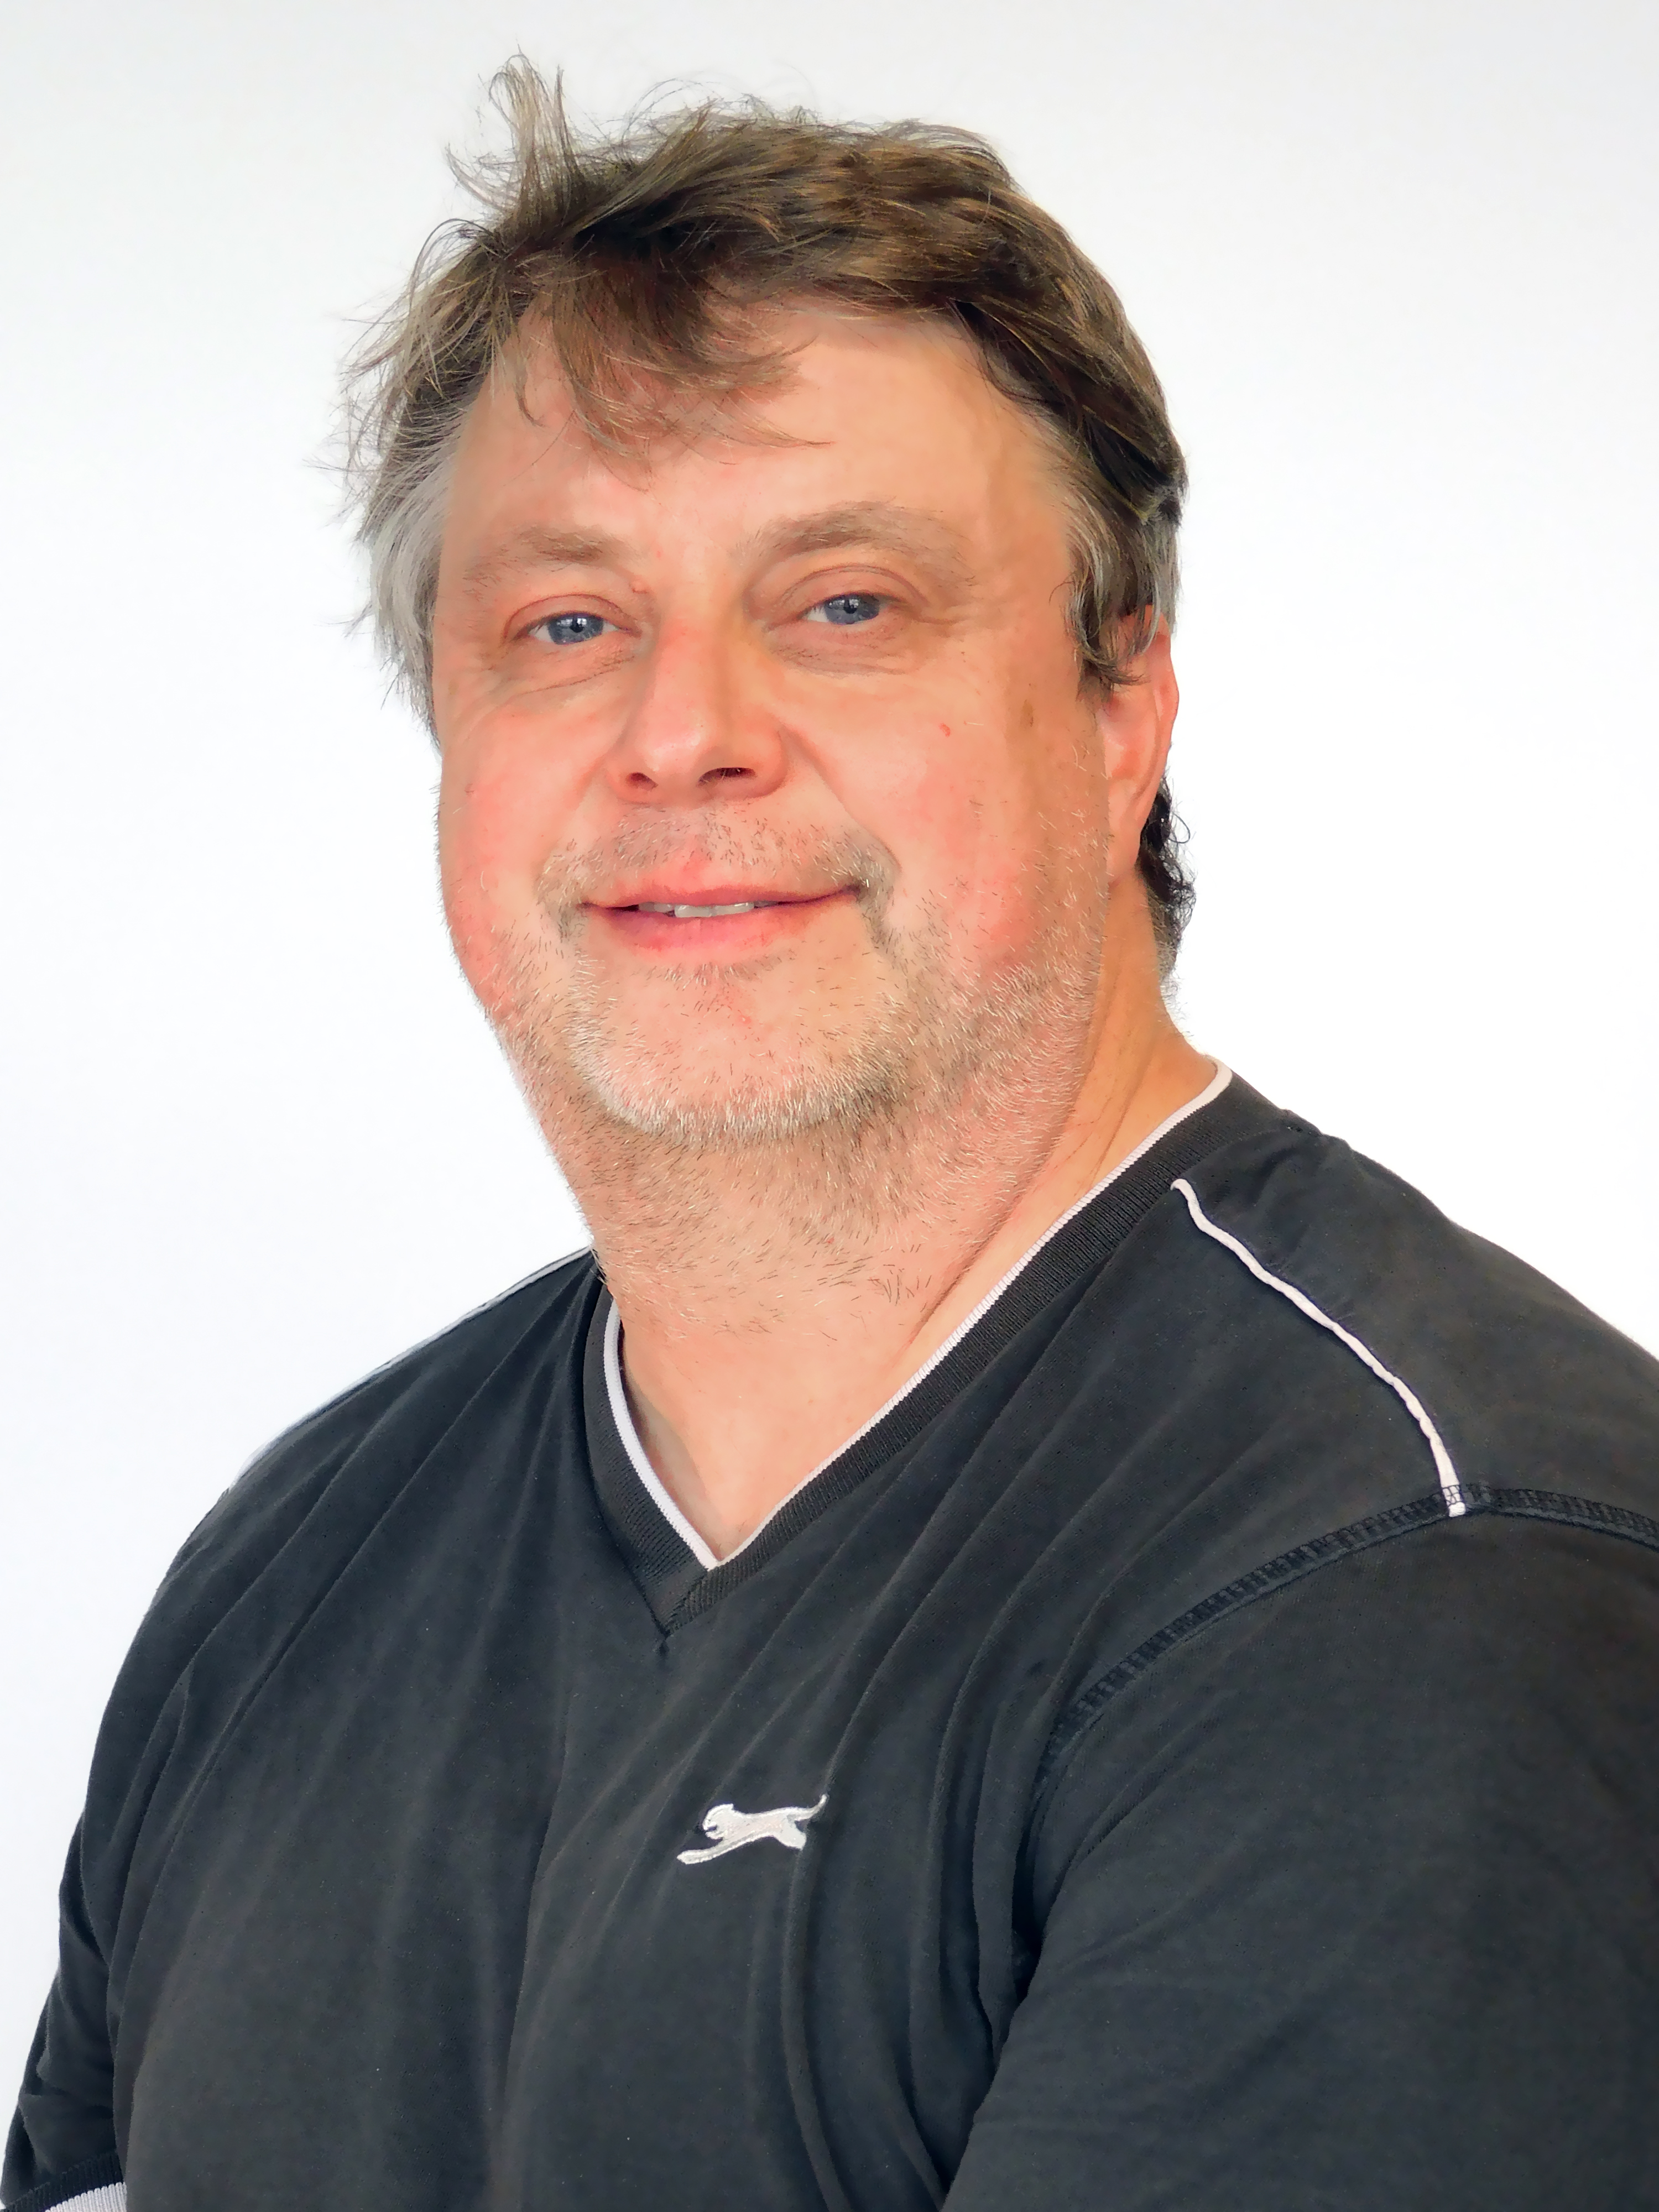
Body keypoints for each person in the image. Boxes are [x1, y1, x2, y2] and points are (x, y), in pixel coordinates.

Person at [8, 60, 1658, 2212]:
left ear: (1122, 712)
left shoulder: (1413, 1580)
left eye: (845, 604)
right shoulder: (292, 1574)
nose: (684, 732)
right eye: (567, 625)